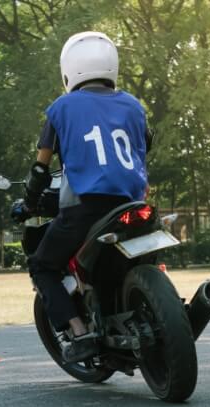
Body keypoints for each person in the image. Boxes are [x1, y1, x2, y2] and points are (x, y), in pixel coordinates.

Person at [16, 31, 152, 364]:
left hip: (88, 209)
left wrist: (29, 202)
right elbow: (144, 146)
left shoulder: (60, 108)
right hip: (136, 205)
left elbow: (39, 170)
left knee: (42, 266)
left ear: (69, 70)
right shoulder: (134, 105)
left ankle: (79, 332)